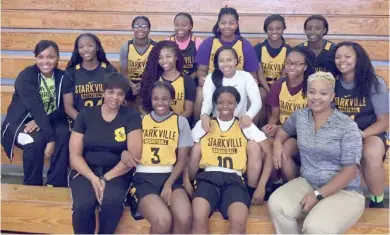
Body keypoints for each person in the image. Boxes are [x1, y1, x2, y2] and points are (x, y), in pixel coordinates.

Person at [268, 71, 365, 234]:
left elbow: (350, 172)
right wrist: (277, 143)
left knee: (316, 227)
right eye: (312, 92)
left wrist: (318, 195)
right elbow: (284, 131)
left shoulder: (346, 126)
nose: (316, 97)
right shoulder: (300, 117)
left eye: (323, 93)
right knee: (277, 204)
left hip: (345, 191)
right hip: (308, 182)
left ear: (332, 96)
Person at [189, 86, 271, 234]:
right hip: (208, 178)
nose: (225, 106)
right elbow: (186, 152)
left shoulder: (245, 125)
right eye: (220, 102)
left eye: (230, 102)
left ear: (236, 104)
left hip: (235, 180)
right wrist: (187, 181)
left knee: (239, 221)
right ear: (215, 104)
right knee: (198, 216)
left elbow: (269, 154)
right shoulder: (205, 124)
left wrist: (261, 186)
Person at [68, 72, 142, 234]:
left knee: (112, 202)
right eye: (111, 92)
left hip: (117, 173)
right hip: (85, 171)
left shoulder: (132, 116)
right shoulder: (85, 115)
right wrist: (94, 178)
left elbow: (133, 157)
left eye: (120, 93)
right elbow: (75, 156)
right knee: (83, 205)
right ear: (103, 91)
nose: (115, 97)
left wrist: (104, 179)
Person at [1, 40, 70, 187]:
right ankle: (32, 185)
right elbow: (34, 107)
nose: (45, 61)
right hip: (22, 121)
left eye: (50, 57)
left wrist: (42, 121)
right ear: (35, 58)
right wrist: (51, 140)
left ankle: (56, 183)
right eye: (40, 57)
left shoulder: (64, 77)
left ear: (58, 57)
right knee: (35, 140)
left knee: (64, 134)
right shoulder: (26, 76)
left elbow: (64, 107)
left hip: (50, 119)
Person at [129, 81, 193, 233]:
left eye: (165, 98)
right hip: (143, 178)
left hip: (171, 176)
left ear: (171, 99)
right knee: (163, 220)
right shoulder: (140, 120)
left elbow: (182, 159)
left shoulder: (180, 122)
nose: (160, 103)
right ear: (150, 100)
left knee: (184, 218)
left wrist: (168, 184)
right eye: (155, 98)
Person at [332, 41, 389, 208]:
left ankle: (376, 201)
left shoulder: (375, 83)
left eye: (347, 56)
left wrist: (360, 135)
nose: (342, 60)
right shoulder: (331, 82)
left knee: (370, 154)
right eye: (338, 57)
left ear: (358, 59)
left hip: (369, 132)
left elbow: (384, 122)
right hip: (340, 133)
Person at [200, 46, 262, 193]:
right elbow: (207, 102)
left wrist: (249, 115)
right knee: (195, 146)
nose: (225, 64)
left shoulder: (246, 77)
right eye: (221, 60)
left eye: (229, 60)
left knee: (255, 148)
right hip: (217, 123)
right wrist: (204, 115)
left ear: (236, 61)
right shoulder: (211, 77)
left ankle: (251, 187)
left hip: (240, 124)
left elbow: (257, 101)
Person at [193, 6, 259, 120]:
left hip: (238, 83)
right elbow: (201, 69)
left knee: (258, 94)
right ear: (218, 24)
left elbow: (252, 74)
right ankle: (198, 124)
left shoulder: (245, 45)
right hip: (215, 82)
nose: (227, 26)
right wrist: (202, 77)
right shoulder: (209, 43)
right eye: (223, 23)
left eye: (231, 23)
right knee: (200, 93)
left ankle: (251, 127)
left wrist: (252, 82)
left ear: (237, 24)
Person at [264, 47, 315, 181]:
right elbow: (274, 117)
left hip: (303, 133)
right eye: (288, 63)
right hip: (282, 130)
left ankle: (292, 187)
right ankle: (274, 182)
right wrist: (269, 128)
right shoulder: (278, 85)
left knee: (284, 152)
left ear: (305, 67)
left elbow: (313, 122)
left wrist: (280, 131)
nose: (292, 67)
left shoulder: (312, 88)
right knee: (264, 145)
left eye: (298, 64)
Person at [63, 33, 117, 122]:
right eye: (81, 47)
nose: (85, 49)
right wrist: (83, 122)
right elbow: (68, 107)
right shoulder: (71, 73)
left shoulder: (109, 70)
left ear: (97, 47)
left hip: (106, 121)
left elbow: (115, 100)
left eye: (90, 45)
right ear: (78, 50)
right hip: (80, 122)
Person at [139, 40, 196, 119]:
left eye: (168, 56)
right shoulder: (153, 79)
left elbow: (188, 111)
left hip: (178, 124)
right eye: (160, 57)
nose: (164, 61)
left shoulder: (187, 81)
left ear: (176, 57)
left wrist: (171, 123)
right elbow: (143, 107)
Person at [119, 16, 156, 109]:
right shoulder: (126, 46)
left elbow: (155, 72)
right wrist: (132, 85)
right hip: (130, 81)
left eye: (144, 26)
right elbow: (123, 72)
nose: (140, 29)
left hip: (149, 81)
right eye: (137, 26)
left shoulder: (155, 47)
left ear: (149, 29)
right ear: (133, 29)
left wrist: (142, 85)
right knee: (123, 91)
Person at [254, 14, 292, 91]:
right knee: (262, 94)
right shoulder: (258, 48)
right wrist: (269, 90)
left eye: (278, 28)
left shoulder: (289, 50)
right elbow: (260, 74)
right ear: (266, 30)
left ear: (283, 29)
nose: (274, 32)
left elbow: (284, 74)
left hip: (281, 84)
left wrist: (275, 90)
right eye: (270, 29)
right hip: (263, 85)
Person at [169, 12, 203, 78]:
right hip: (173, 79)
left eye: (184, 25)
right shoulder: (168, 42)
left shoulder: (198, 42)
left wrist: (188, 80)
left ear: (190, 26)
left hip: (193, 79)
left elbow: (201, 68)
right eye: (177, 25)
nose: (180, 28)